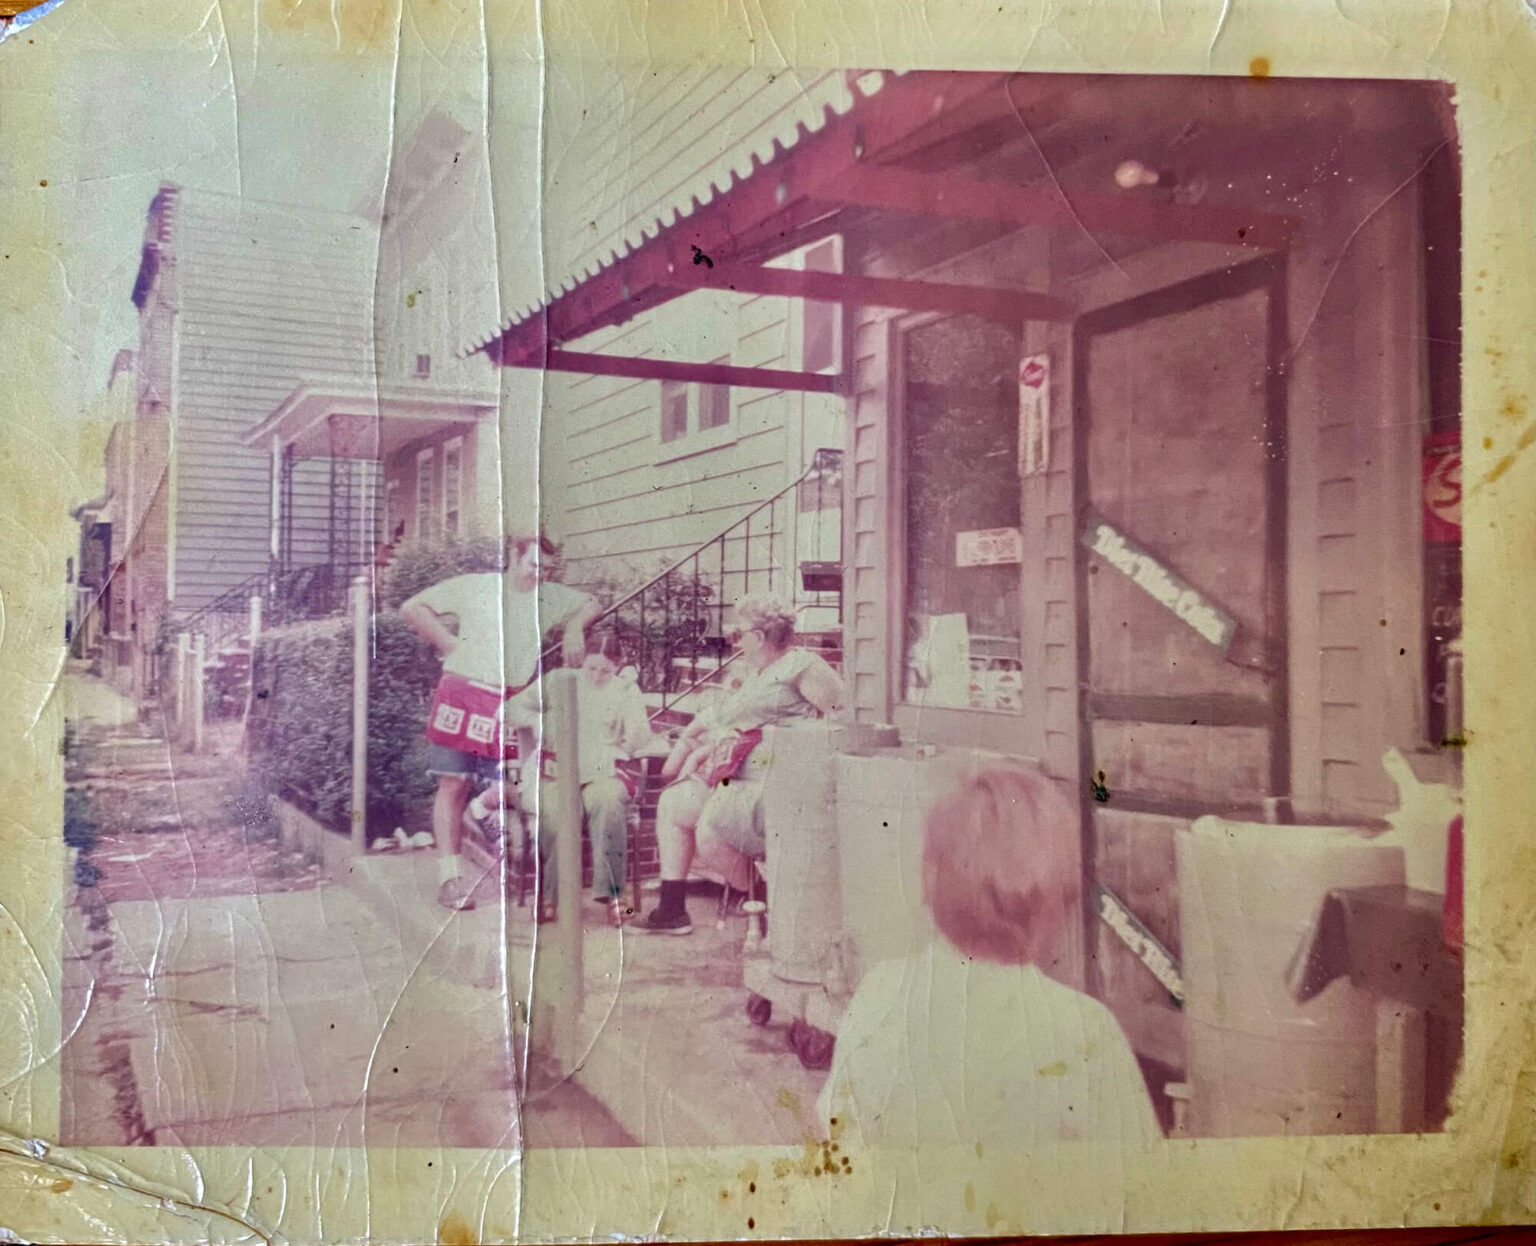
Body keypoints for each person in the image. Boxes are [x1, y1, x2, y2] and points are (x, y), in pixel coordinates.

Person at [816, 765, 1164, 1148]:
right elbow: (1140, 1186)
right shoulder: (1087, 1032)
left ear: (929, 881)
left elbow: (838, 1141)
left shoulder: (880, 991)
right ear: (1058, 903)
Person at [401, 533, 599, 912]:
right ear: (514, 555)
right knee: (453, 784)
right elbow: (414, 607)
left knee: (515, 783)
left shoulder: (550, 596)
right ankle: (449, 879)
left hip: (511, 700)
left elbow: (592, 603)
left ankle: (484, 816)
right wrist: (448, 643)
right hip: (462, 692)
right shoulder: (477, 587)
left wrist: (573, 628)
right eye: (534, 565)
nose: (540, 574)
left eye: (547, 568)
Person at [639, 592, 845, 935]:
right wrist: (696, 745)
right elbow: (725, 717)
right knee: (674, 803)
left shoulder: (803, 666)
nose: (736, 640)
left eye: (740, 633)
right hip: (737, 775)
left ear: (759, 637)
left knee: (711, 830)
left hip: (776, 780)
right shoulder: (758, 674)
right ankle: (671, 910)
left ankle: (770, 905)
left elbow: (844, 720)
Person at [527, 631, 656, 926]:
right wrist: (540, 725)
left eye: (606, 670)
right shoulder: (559, 680)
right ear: (582, 662)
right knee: (556, 810)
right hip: (562, 768)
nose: (598, 676)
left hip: (604, 768)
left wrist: (630, 699)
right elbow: (514, 707)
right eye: (591, 668)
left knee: (609, 801)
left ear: (618, 665)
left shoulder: (623, 690)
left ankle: (613, 896)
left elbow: (640, 738)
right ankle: (551, 895)